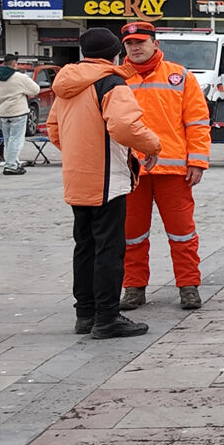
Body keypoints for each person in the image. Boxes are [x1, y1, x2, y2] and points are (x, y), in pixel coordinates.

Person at [48, 28, 161, 339]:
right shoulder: (111, 83)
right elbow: (124, 126)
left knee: (84, 246)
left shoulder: (66, 84)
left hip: (77, 177)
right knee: (109, 249)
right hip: (107, 178)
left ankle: (85, 314)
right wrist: (152, 146)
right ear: (115, 54)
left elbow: (54, 128)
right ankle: (107, 317)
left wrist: (79, 152)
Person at [117, 21, 211, 312]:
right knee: (131, 234)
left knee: (182, 233)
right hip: (131, 171)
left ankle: (188, 286)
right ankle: (133, 288)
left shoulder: (180, 76)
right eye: (130, 44)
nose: (135, 48)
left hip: (174, 171)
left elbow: (197, 122)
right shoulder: (116, 78)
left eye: (141, 42)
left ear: (155, 44)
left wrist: (197, 161)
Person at [0, 54, 41, 175]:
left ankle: (14, 162)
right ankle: (11, 165)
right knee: (16, 140)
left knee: (8, 140)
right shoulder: (20, 77)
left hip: (3, 112)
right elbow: (36, 89)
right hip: (18, 112)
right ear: (14, 64)